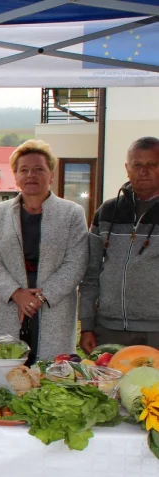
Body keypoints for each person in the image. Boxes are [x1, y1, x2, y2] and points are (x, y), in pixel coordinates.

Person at [0, 141, 88, 363]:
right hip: (11, 302)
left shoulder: (72, 213)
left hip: (53, 303)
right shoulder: (0, 213)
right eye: (24, 170)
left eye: (39, 169)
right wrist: (16, 293)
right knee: (7, 369)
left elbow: (76, 263)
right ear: (16, 176)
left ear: (51, 175)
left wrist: (40, 297)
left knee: (52, 372)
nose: (31, 175)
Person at [80, 137, 159, 353]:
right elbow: (90, 273)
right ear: (127, 168)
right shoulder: (107, 212)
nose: (144, 171)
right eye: (137, 165)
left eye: (152, 164)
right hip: (109, 329)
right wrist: (87, 325)